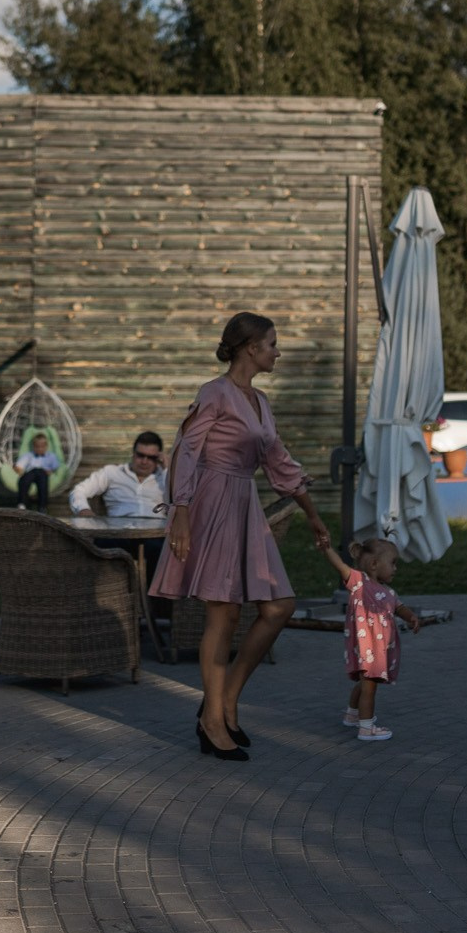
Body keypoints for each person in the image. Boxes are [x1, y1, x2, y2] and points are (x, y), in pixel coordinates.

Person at [151, 312, 330, 761]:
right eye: (272, 344)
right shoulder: (214, 392)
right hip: (211, 502)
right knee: (224, 614)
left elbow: (279, 462)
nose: (277, 352)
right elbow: (185, 451)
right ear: (251, 348)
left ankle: (225, 699)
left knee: (279, 606)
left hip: (244, 503)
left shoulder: (261, 402)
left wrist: (312, 515)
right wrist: (181, 512)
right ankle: (213, 721)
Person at [318, 538, 421, 742]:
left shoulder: (389, 592)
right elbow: (340, 566)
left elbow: (399, 607)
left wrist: (411, 617)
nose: (395, 568)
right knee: (370, 686)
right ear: (374, 564)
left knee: (365, 683)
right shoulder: (359, 583)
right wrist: (328, 549)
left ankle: (352, 715)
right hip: (366, 648)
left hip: (379, 648)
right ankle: (366, 728)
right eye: (393, 563)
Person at [69, 430, 170, 578]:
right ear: (133, 454)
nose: (144, 461)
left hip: (155, 534)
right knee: (103, 545)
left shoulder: (165, 478)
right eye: (140, 455)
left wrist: (168, 469)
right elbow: (79, 490)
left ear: (159, 458)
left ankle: (156, 593)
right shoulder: (112, 473)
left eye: (151, 457)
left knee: (163, 549)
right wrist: (83, 510)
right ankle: (113, 591)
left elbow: (179, 498)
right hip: (118, 533)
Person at [14, 432, 60, 511]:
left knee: (43, 482)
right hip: (31, 473)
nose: (39, 449)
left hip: (43, 473)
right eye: (37, 447)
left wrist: (51, 471)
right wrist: (19, 470)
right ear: (33, 446)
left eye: (42, 446)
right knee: (24, 480)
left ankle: (42, 506)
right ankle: (22, 504)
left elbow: (55, 467)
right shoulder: (28, 455)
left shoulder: (51, 456)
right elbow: (18, 466)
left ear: (46, 446)